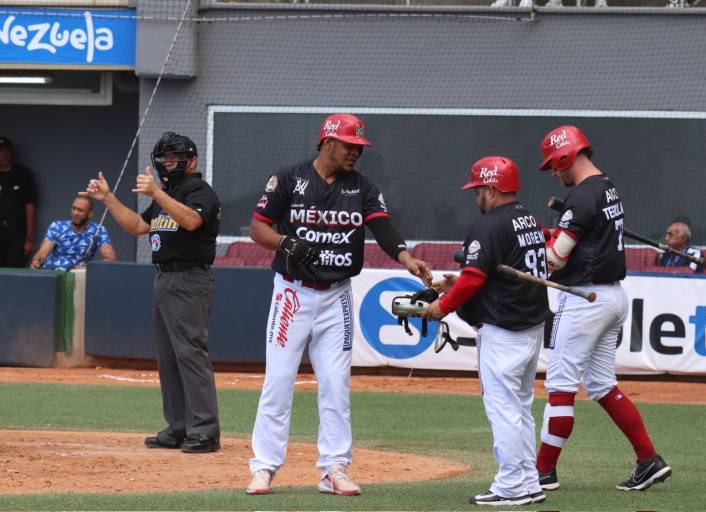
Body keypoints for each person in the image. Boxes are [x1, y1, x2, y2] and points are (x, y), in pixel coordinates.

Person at [246, 113, 432, 496]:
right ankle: (264, 467)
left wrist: (406, 258)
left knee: (335, 384)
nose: (356, 153)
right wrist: (285, 243)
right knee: (279, 380)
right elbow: (258, 227)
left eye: (359, 147)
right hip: (292, 292)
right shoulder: (288, 179)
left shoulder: (361, 187)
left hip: (337, 295)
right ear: (328, 142)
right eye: (350, 145)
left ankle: (334, 468)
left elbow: (381, 226)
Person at [535, 125, 671, 492]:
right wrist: (554, 234)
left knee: (560, 387)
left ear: (566, 157)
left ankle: (541, 473)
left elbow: (554, 260)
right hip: (612, 298)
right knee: (601, 384)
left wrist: (534, 246)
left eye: (554, 165)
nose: (554, 173)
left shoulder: (580, 197)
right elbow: (585, 238)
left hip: (584, 299)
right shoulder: (608, 187)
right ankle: (648, 460)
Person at [422, 156, 550, 507]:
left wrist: (442, 307)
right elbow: (491, 274)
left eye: (478, 189)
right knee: (520, 407)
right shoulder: (528, 219)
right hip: (529, 325)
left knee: (504, 409)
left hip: (503, 329)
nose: (476, 195)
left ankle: (510, 486)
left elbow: (477, 276)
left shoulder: (488, 225)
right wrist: (454, 284)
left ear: (492, 189)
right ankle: (527, 480)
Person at [82, 132, 221, 454]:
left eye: (173, 159)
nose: (167, 164)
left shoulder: (198, 190)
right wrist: (108, 199)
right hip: (164, 279)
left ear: (191, 161)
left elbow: (191, 221)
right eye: (164, 160)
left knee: (190, 354)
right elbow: (138, 227)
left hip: (189, 278)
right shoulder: (168, 192)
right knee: (169, 358)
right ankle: (178, 427)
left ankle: (205, 431)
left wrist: (157, 192)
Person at [30, 195, 117, 270]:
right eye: (73, 208)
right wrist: (37, 260)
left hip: (79, 276)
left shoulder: (98, 230)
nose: (75, 213)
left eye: (80, 210)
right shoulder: (57, 226)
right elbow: (43, 252)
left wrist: (91, 269)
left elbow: (111, 258)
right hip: (52, 273)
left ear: (90, 214)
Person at [0, 137, 38, 267]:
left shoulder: (23, 174)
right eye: (1, 152)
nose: (5, 155)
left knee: (14, 270)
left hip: (16, 232)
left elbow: (30, 208)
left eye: (7, 151)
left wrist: (30, 238)